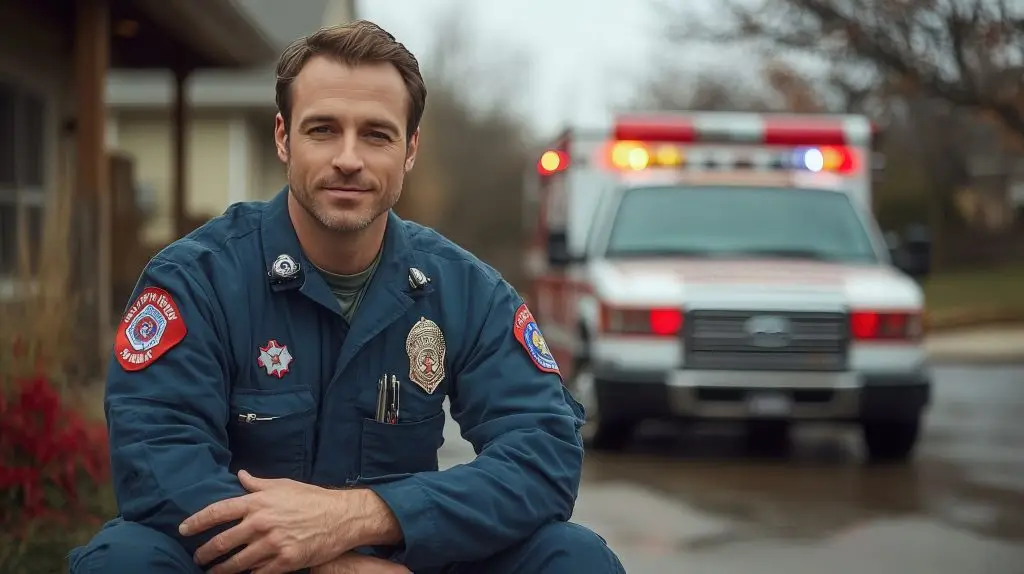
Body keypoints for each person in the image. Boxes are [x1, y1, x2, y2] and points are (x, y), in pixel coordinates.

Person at [67, 19, 625, 574]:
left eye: (376, 135)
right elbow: (157, 459)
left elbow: (544, 451)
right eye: (324, 130)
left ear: (409, 149)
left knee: (571, 557)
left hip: (404, 557)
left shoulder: (463, 291)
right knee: (122, 560)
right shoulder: (198, 281)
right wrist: (331, 565)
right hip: (248, 563)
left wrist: (363, 516)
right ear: (284, 137)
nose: (348, 158)